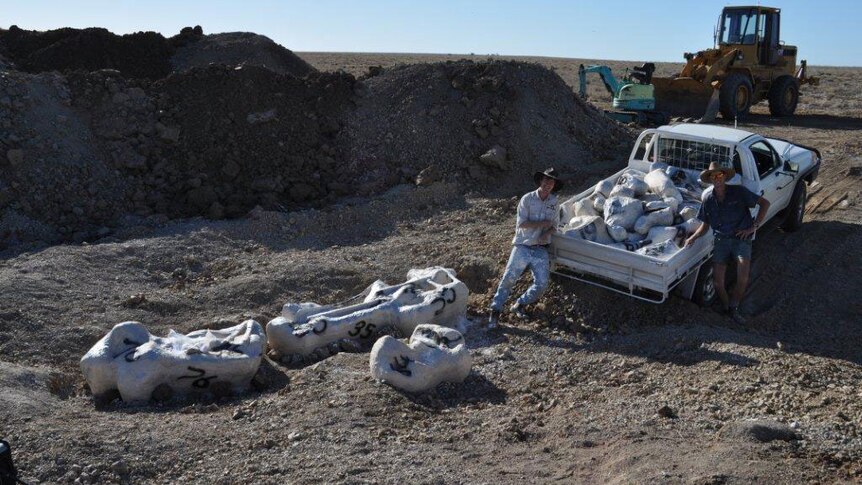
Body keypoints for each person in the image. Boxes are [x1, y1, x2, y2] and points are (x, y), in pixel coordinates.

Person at [684, 161, 770, 323]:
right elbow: (704, 226)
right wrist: (693, 237)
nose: (717, 178)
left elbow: (765, 204)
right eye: (713, 176)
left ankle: (734, 307)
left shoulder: (739, 192)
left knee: (743, 278)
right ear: (710, 179)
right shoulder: (708, 200)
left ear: (724, 177)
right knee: (717, 283)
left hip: (741, 239)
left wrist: (753, 227)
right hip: (721, 240)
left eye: (719, 175)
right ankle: (726, 308)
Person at [488, 168, 563, 328]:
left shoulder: (554, 202)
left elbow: (555, 226)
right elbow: (521, 224)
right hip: (523, 245)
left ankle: (520, 304)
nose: (548, 184)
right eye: (546, 180)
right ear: (540, 180)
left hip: (540, 248)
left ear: (554, 185)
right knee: (509, 278)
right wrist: (542, 224)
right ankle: (495, 311)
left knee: (542, 283)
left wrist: (547, 233)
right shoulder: (527, 199)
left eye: (552, 181)